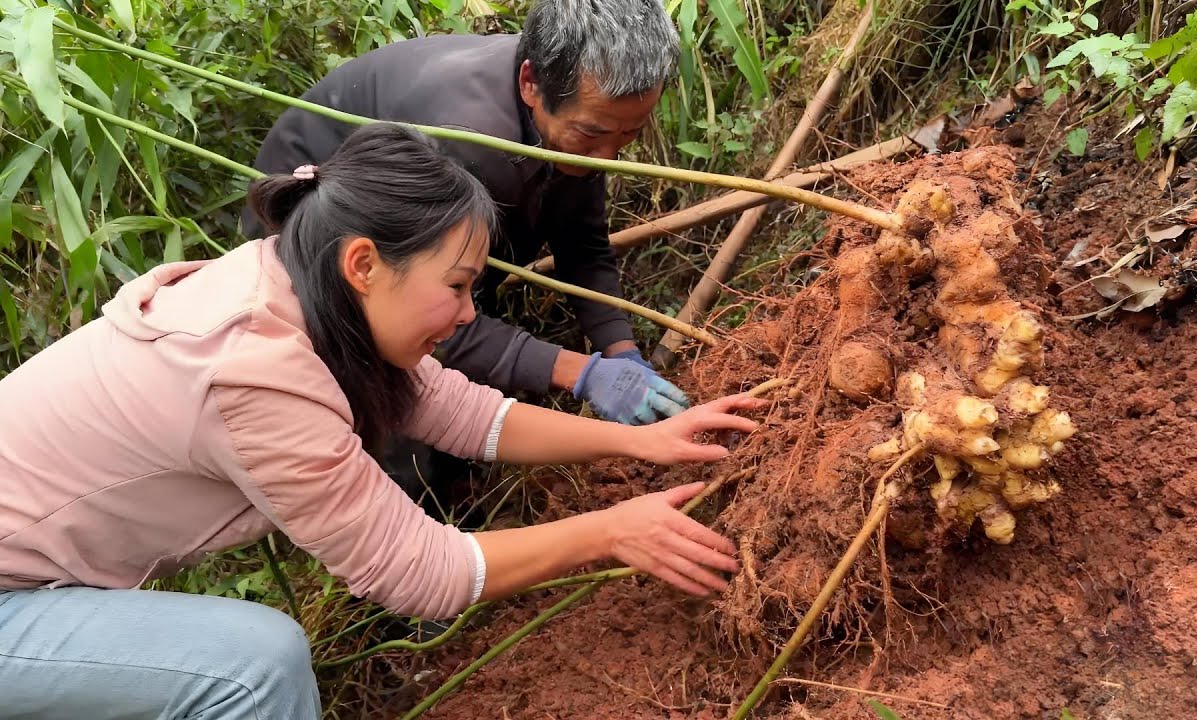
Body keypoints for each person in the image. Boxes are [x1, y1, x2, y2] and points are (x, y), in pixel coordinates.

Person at [0, 124, 762, 719]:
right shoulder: (253, 370)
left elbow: (465, 412)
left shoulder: (298, 283)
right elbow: (418, 572)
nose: (469, 314)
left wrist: (640, 440)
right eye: (458, 286)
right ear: (364, 263)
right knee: (250, 670)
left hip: (40, 574)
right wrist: (612, 530)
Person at [243, 0, 682, 427]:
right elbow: (427, 308)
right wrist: (582, 373)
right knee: (393, 407)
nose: (606, 157)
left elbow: (580, 242)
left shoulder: (580, 97)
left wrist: (621, 352)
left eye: (630, 133)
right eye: (592, 134)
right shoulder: (468, 140)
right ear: (531, 83)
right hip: (311, 219)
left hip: (424, 242)